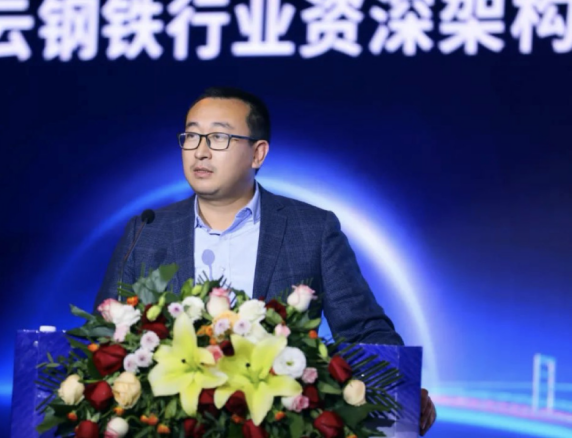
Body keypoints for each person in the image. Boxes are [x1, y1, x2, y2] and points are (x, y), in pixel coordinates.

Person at [94, 86, 436, 435]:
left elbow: (363, 331)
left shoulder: (312, 230)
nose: (200, 151)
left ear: (257, 153)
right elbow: (103, 336)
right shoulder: (146, 230)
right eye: (192, 136)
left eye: (218, 137)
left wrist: (402, 391)